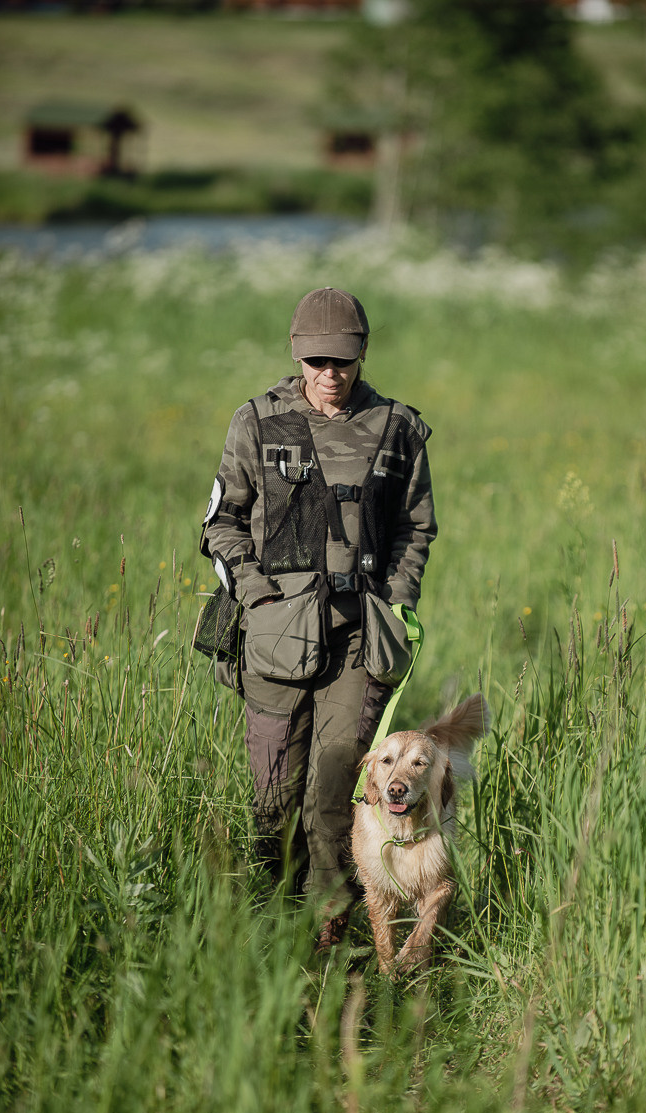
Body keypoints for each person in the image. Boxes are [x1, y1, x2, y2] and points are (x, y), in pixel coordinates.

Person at [199, 287, 437, 949]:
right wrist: (258, 597)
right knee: (275, 794)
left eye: (342, 360)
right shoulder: (256, 422)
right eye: (316, 361)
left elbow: (416, 529)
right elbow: (220, 526)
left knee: (336, 786)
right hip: (274, 639)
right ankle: (270, 910)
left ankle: (328, 921)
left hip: (359, 635)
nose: (329, 374)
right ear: (298, 356)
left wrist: (396, 601)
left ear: (362, 355)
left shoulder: (397, 428)